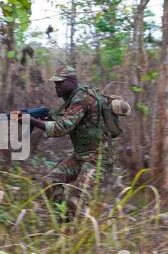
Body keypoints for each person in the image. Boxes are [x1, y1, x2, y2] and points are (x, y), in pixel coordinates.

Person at [18, 65, 114, 220]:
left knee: (77, 199)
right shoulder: (72, 100)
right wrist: (41, 119)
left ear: (71, 81)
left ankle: (79, 230)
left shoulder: (81, 98)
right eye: (55, 83)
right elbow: (65, 121)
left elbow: (62, 128)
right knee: (50, 182)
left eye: (60, 83)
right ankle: (64, 221)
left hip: (98, 157)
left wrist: (32, 120)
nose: (56, 87)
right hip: (81, 155)